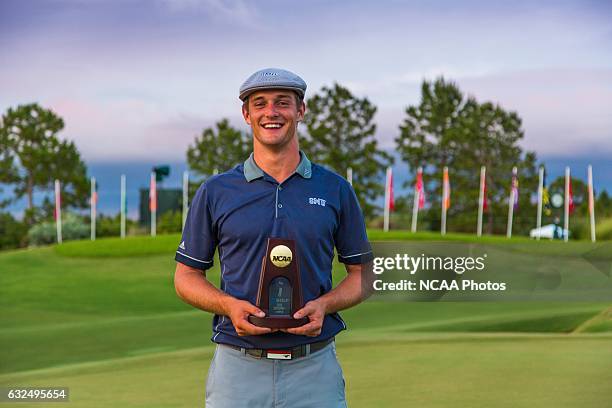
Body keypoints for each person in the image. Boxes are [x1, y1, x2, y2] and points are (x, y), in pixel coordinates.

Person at [174, 68, 373, 408]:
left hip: (314, 368)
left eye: (283, 102)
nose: (272, 112)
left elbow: (364, 276)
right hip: (237, 369)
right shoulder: (216, 191)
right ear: (246, 114)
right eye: (260, 104)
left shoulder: (335, 189)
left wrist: (325, 305)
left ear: (301, 111)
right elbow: (186, 277)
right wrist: (228, 305)